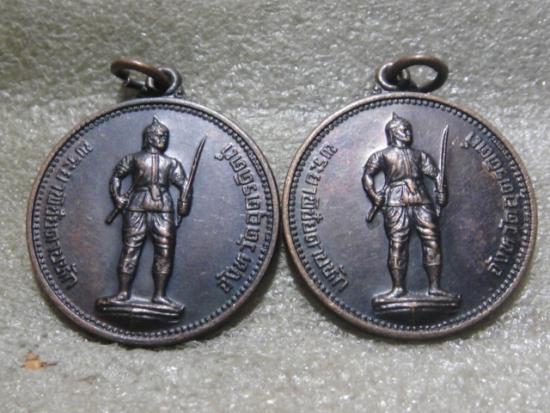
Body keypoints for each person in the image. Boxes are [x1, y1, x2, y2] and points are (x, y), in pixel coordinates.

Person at [99, 117, 189, 308]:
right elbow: (116, 176)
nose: (163, 139)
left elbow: (184, 185)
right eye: (159, 136)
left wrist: (184, 202)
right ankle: (123, 293)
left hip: (163, 209)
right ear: (149, 137)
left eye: (165, 136)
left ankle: (160, 295)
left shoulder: (171, 163)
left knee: (165, 251)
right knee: (130, 248)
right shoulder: (133, 158)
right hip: (136, 207)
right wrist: (117, 197)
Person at [363, 113, 453, 300]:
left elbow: (436, 174)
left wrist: (441, 191)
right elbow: (367, 175)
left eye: (409, 129)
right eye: (403, 129)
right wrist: (373, 195)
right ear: (393, 133)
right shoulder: (382, 155)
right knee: (397, 244)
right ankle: (398, 288)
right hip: (395, 202)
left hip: (422, 200)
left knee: (432, 242)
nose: (408, 132)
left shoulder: (420, 155)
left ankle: (435, 287)